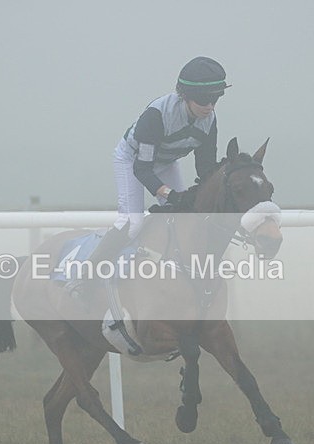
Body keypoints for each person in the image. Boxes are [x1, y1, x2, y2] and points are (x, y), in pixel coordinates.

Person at [68, 56, 230, 300]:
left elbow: (205, 168)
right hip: (132, 161)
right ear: (185, 95)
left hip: (165, 161)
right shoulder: (156, 116)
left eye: (216, 98)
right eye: (204, 99)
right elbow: (143, 169)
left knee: (187, 218)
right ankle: (85, 281)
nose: (210, 106)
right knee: (131, 223)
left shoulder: (210, 120)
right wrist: (169, 194)